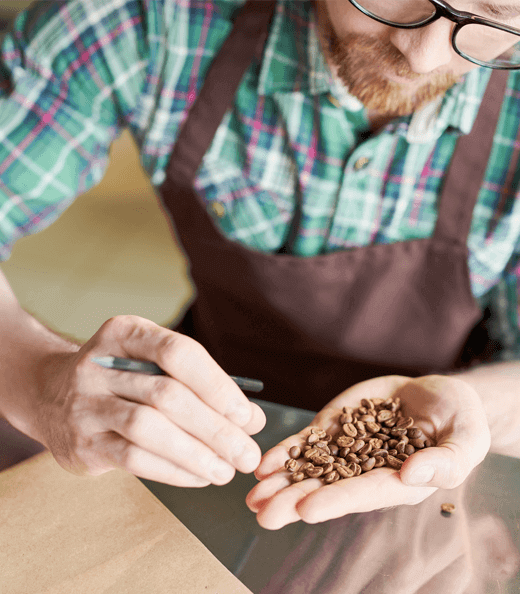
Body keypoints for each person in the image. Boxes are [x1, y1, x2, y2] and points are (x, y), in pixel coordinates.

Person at [1, 0, 520, 531]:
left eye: (492, 13)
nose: (424, 55)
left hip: (447, 490)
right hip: (196, 425)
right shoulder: (147, 18)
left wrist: (477, 407)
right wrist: (36, 375)